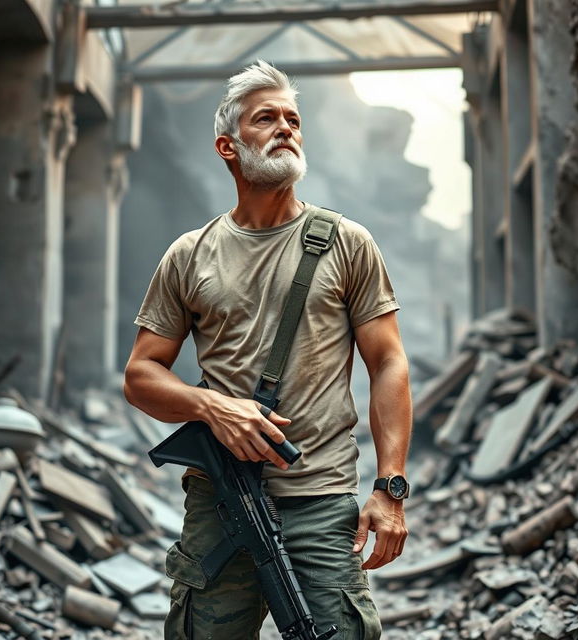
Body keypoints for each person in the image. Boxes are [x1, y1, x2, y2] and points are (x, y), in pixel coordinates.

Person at [124, 60, 413, 639]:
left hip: (322, 500)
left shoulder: (346, 243)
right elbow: (140, 374)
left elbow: (388, 362)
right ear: (227, 147)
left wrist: (390, 487)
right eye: (267, 118)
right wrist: (211, 407)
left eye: (293, 119)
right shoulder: (190, 255)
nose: (286, 128)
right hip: (220, 501)